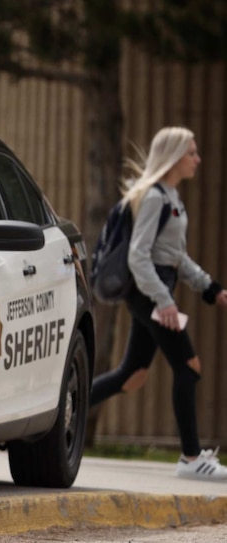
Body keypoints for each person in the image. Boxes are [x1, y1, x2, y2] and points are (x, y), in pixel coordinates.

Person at [90, 126, 227, 481]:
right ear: (174, 156)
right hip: (149, 294)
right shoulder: (153, 198)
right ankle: (192, 458)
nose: (198, 159)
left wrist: (210, 288)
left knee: (132, 375)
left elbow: (176, 258)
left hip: (156, 292)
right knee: (189, 365)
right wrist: (164, 302)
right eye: (192, 153)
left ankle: (53, 415)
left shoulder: (172, 197)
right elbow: (139, 257)